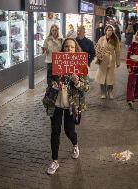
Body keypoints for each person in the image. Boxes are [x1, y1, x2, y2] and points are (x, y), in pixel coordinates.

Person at [43, 38, 89, 175]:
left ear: (76, 49)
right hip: (56, 103)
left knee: (69, 131)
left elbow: (86, 87)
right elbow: (49, 80)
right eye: (67, 47)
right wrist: (54, 84)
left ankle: (75, 144)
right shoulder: (55, 63)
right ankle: (55, 161)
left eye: (72, 47)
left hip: (71, 105)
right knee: (55, 131)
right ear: (63, 48)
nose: (69, 49)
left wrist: (77, 82)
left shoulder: (81, 65)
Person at [95, 25, 121, 99]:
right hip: (103, 60)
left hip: (111, 60)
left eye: (111, 30)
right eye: (108, 30)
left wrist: (118, 62)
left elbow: (118, 52)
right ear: (105, 31)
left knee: (110, 77)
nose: (110, 32)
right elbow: (97, 48)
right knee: (102, 77)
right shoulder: (101, 39)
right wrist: (98, 55)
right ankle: (103, 92)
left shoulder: (115, 40)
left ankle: (110, 92)